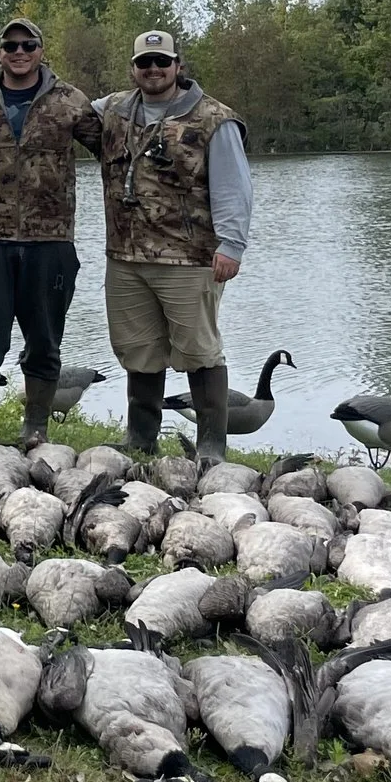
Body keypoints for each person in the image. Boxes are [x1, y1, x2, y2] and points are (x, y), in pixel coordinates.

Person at [93, 29, 251, 465]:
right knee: (138, 349)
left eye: (162, 61)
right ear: (133, 69)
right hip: (125, 257)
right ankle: (141, 439)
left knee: (200, 351)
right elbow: (67, 111)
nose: (154, 69)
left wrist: (232, 245)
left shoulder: (215, 119)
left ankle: (211, 446)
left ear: (178, 66)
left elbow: (235, 187)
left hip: (190, 258)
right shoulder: (114, 109)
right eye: (144, 63)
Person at [0, 17, 104, 450]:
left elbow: (113, 152)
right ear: (0, 52)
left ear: (40, 50)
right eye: (11, 45)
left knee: (44, 337)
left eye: (28, 45)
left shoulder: (70, 100)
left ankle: (36, 425)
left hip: (51, 239)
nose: (20, 52)